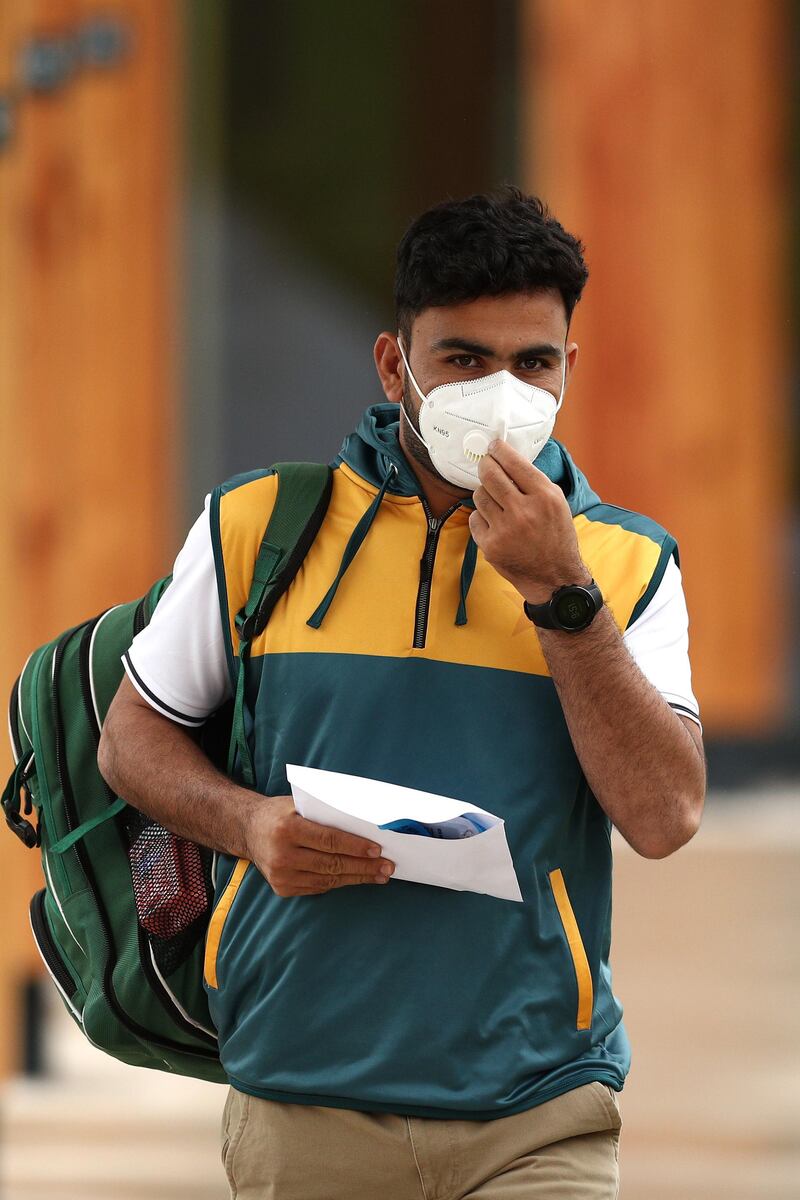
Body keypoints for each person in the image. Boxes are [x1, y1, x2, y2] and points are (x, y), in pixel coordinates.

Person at [98, 187, 705, 1199]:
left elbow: (661, 815)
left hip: (535, 1110)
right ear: (395, 365)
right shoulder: (255, 529)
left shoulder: (624, 564)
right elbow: (131, 742)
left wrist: (561, 593)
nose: (501, 392)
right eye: (463, 360)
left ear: (567, 370)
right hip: (301, 1104)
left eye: (533, 363)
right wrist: (248, 824)